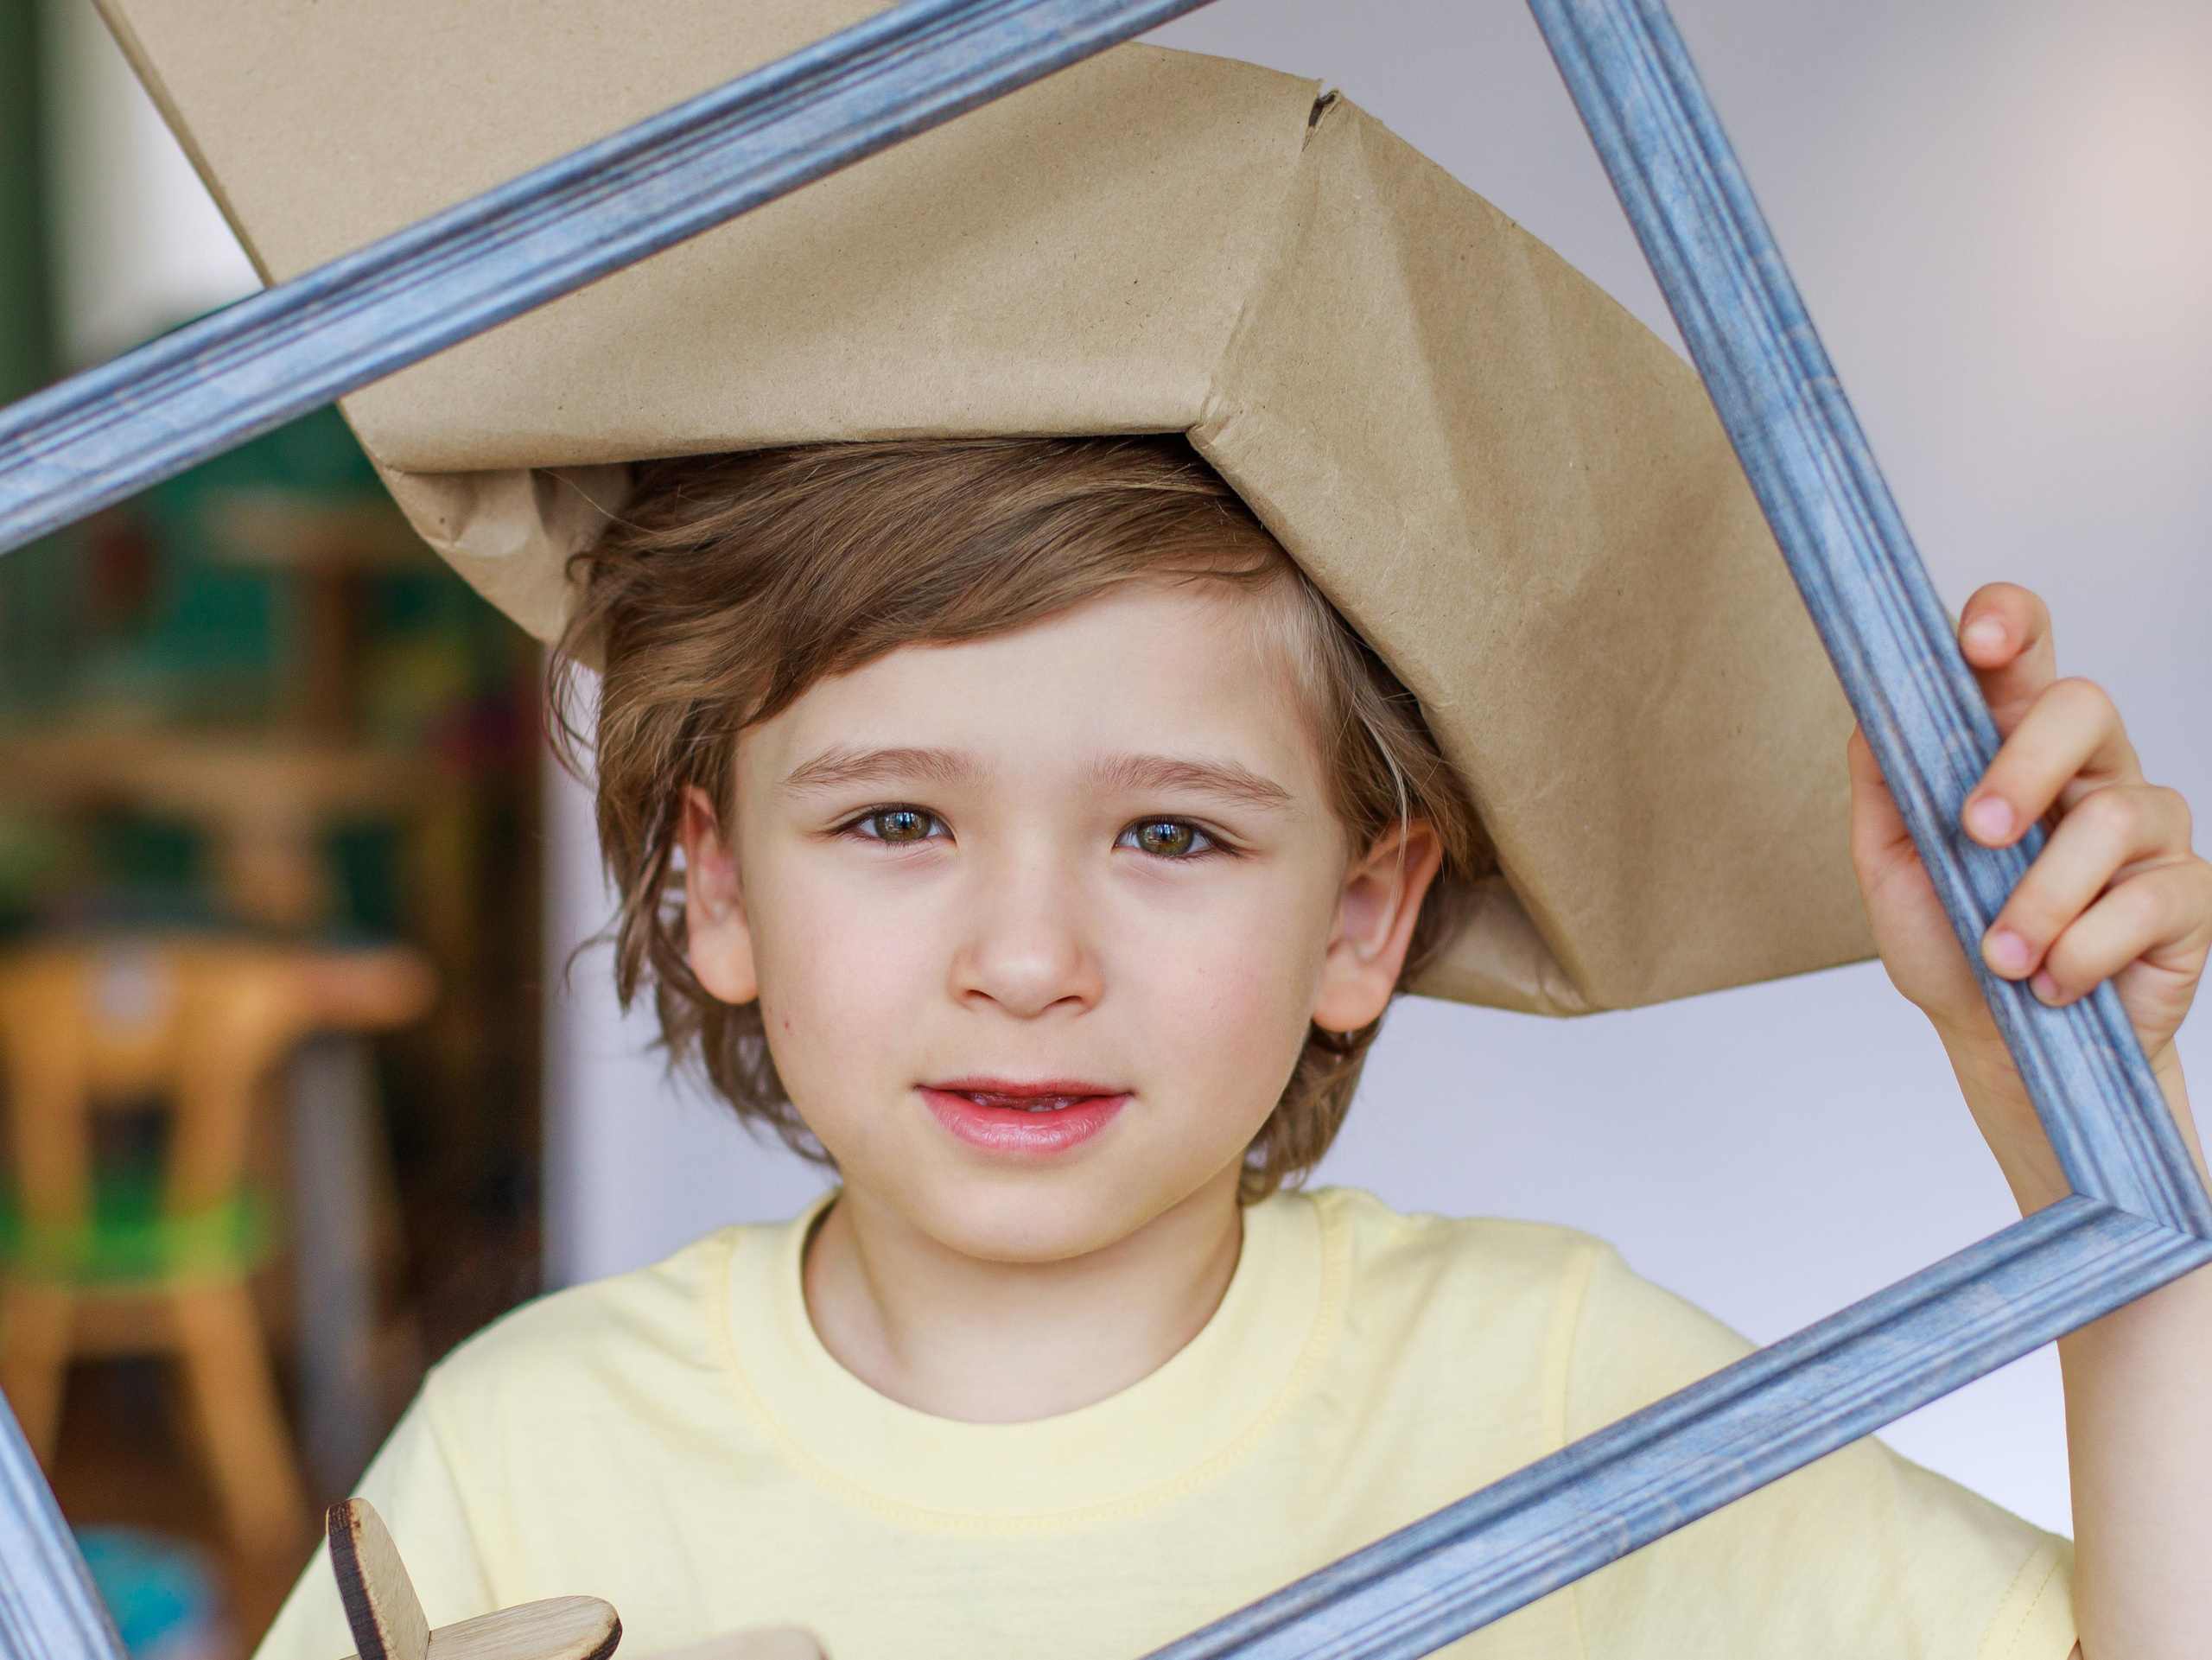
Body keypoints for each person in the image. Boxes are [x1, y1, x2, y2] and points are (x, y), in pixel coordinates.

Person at [97, 7, 2206, 1657]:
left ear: (1363, 912)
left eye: (1174, 837)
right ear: (712, 875)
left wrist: (2081, 1115)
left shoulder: (1543, 1392)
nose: (1031, 955)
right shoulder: (528, 1451)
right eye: (899, 816)